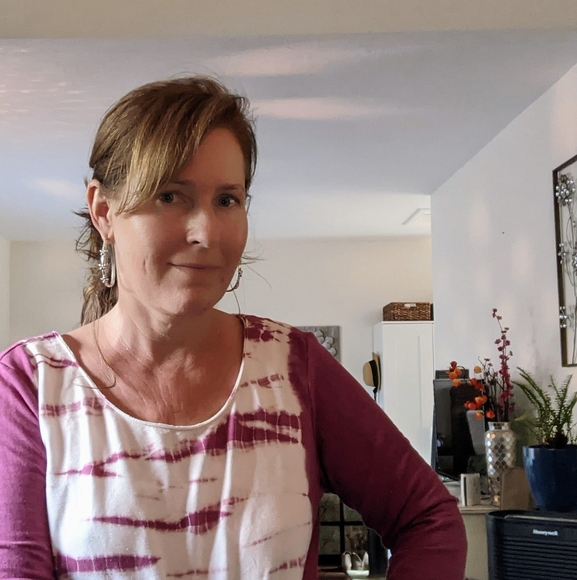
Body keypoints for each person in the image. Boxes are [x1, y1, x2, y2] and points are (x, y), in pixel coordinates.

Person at [0, 76, 467, 579]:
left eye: (227, 200)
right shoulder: (31, 386)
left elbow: (429, 520)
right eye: (170, 196)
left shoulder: (295, 369)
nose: (206, 232)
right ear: (103, 211)